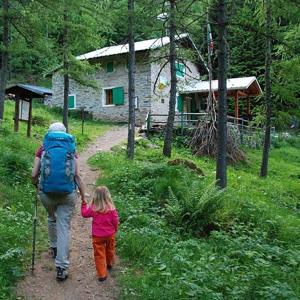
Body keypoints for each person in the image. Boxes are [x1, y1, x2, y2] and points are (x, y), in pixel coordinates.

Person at [31, 122, 85, 281]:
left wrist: (36, 184)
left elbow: (34, 173)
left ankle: (54, 247)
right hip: (67, 194)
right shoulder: (71, 148)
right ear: (65, 133)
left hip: (46, 193)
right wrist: (83, 193)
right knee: (64, 227)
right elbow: (77, 175)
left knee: (51, 217)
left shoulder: (43, 148)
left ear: (49, 133)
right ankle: (61, 267)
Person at [81, 186, 119, 282]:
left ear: (95, 197)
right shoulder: (112, 209)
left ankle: (102, 275)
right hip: (110, 234)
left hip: (97, 236)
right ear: (108, 196)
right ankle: (109, 263)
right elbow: (115, 221)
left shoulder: (94, 208)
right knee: (110, 249)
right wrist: (115, 229)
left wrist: (84, 204)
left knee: (99, 254)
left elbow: (84, 214)